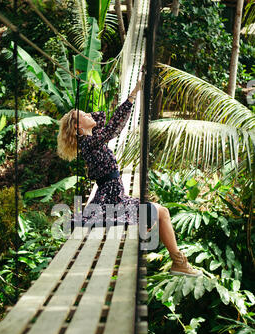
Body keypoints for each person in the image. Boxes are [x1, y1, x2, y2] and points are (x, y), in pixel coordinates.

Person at [57, 78, 201, 277]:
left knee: (160, 212)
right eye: (84, 114)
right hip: (111, 199)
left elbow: (102, 119)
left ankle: (177, 262)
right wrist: (133, 93)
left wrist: (89, 115)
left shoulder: (91, 138)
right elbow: (114, 128)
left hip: (114, 195)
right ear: (77, 129)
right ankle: (179, 263)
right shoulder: (87, 143)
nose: (90, 114)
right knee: (162, 212)